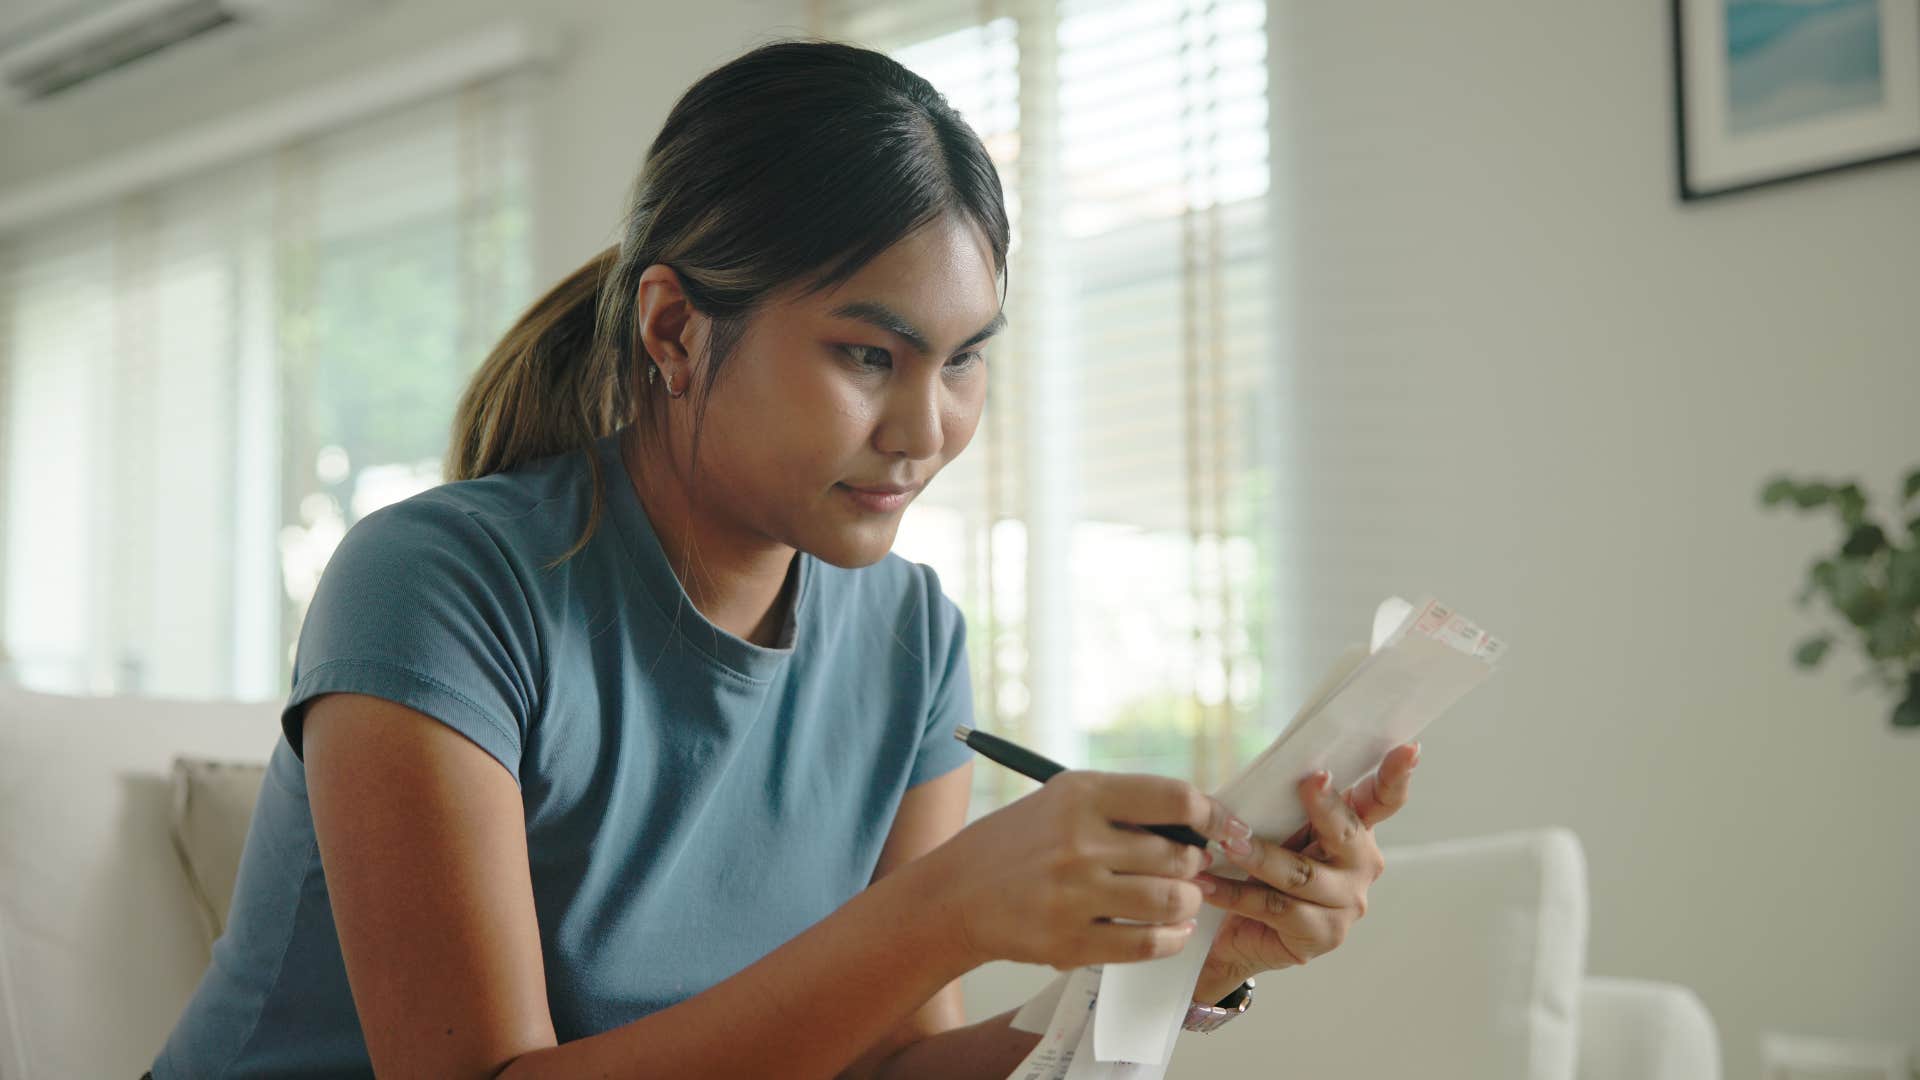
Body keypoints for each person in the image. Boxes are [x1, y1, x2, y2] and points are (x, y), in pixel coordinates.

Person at [150, 39, 1420, 1080]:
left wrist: (1193, 963)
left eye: (964, 357)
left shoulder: (912, 639)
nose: (928, 432)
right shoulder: (438, 584)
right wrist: (946, 908)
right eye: (869, 355)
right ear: (674, 329)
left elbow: (890, 1067)